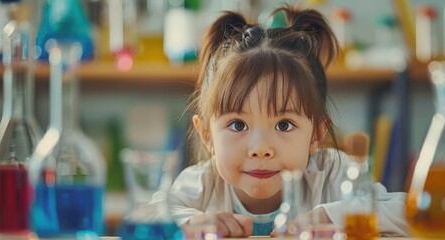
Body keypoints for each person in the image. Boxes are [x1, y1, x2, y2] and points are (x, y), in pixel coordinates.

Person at [165, 5, 408, 237]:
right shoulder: (201, 182)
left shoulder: (332, 172)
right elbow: (150, 213)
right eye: (238, 125)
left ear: (315, 135)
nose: (261, 149)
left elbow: (407, 211)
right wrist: (192, 222)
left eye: (284, 125)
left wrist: (330, 216)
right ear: (206, 134)